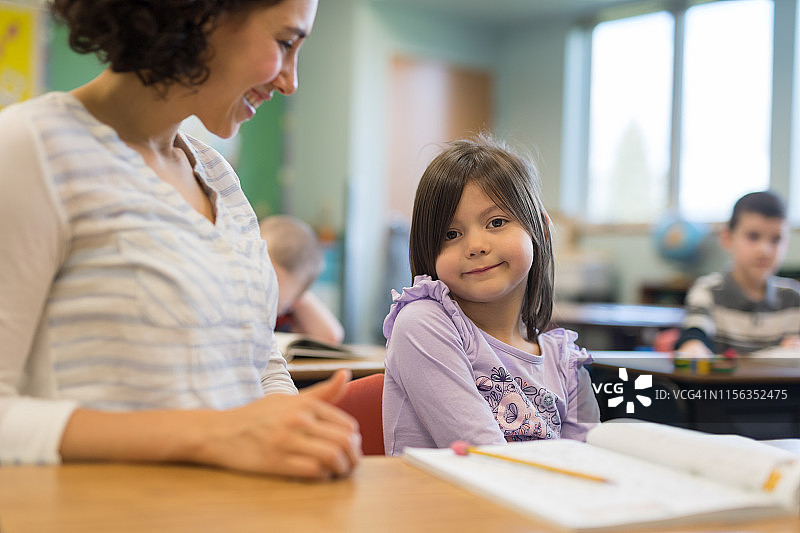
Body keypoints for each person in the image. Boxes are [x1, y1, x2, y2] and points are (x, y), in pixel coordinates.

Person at [0, 0, 361, 478]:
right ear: (200, 14)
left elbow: (257, 360)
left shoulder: (218, 177)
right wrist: (212, 434)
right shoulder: (30, 150)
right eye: (285, 42)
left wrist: (296, 433)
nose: (290, 81)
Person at [382, 135, 600, 456]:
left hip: (536, 504)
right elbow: (485, 460)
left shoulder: (566, 362)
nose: (475, 246)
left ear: (539, 229)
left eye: (496, 222)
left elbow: (588, 462)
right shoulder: (423, 324)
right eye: (451, 234)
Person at [676, 191, 800, 355]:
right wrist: (693, 346)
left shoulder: (793, 297)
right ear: (727, 238)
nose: (765, 250)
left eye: (776, 240)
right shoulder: (707, 290)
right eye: (753, 236)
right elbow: (694, 336)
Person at [260, 215, 344, 344]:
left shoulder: (287, 314)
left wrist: (299, 294)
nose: (260, 303)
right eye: (260, 286)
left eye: (274, 300)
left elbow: (332, 337)